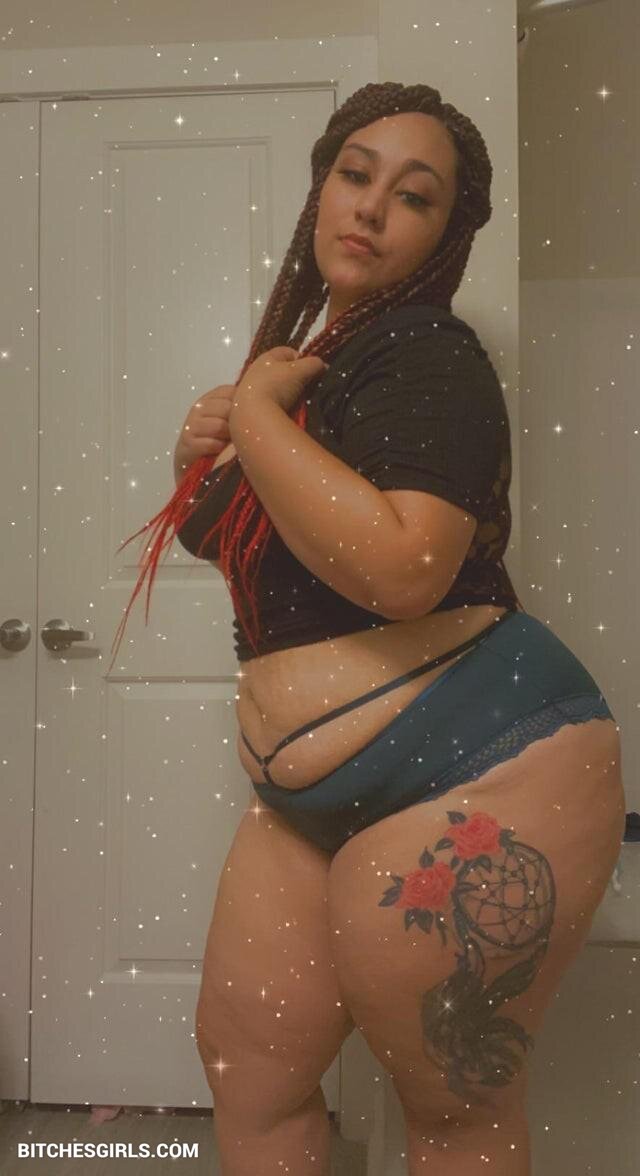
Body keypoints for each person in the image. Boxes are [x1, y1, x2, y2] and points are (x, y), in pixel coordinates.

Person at [111, 82, 629, 1175]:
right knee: (252, 1073)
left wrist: (257, 418)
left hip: (483, 764)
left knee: (454, 1107)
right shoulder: (322, 360)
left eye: (415, 195)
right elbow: (285, 563)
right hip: (305, 798)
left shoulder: (425, 352)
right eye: (354, 174)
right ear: (321, 187)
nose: (372, 206)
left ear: (447, 233)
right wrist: (206, 460)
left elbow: (402, 569)